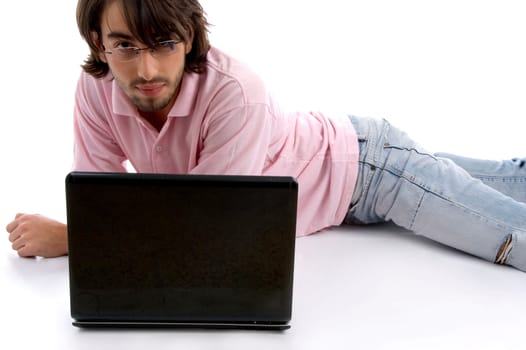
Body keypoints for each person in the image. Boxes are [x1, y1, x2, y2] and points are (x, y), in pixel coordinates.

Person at [5, 0, 526, 272]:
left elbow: (205, 230)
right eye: (123, 45)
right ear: (98, 42)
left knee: (513, 240)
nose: (145, 69)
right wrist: (94, 225)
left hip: (371, 174)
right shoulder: (95, 86)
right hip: (344, 181)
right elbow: (104, 201)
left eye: (163, 43)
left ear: (188, 38)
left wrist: (77, 240)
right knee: (510, 180)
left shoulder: (237, 92)